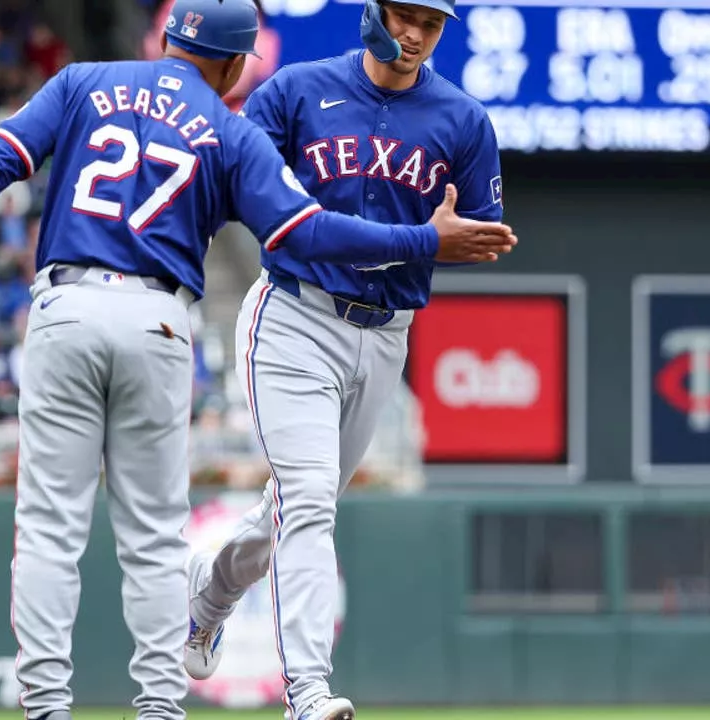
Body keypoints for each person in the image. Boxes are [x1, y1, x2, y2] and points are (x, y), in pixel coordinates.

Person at [0, 1, 515, 718]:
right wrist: (427, 243)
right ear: (234, 66)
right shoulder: (228, 128)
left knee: (52, 526)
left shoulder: (82, 82)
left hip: (65, 306)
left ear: (167, 36)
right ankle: (173, 706)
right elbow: (307, 233)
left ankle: (47, 706)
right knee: (161, 536)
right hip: (170, 322)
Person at [181, 2, 507, 720]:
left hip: (387, 333)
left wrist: (462, 237)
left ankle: (210, 591)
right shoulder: (297, 91)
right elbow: (236, 186)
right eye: (405, 14)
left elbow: (476, 228)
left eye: (433, 21)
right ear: (373, 12)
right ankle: (307, 694)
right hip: (294, 316)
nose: (417, 33)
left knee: (299, 505)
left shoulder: (463, 120)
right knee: (306, 503)